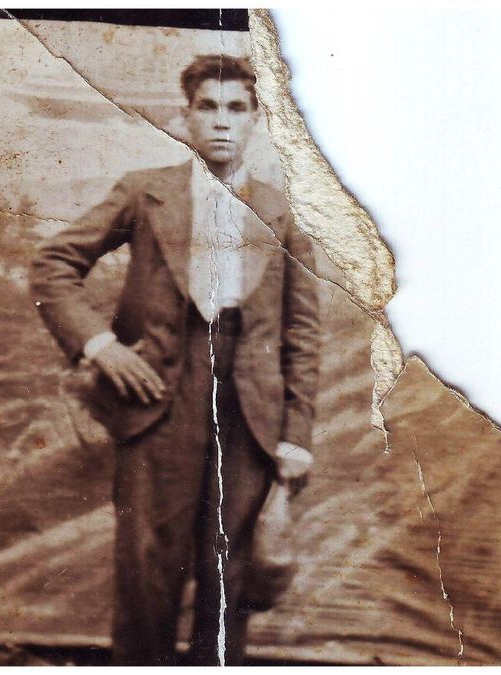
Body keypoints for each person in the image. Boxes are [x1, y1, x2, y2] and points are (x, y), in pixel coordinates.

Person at [29, 54, 320, 665]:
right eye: (208, 108)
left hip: (249, 417)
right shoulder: (146, 192)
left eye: (236, 109)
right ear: (183, 116)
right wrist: (99, 345)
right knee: (146, 573)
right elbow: (53, 265)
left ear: (256, 120)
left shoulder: (284, 211)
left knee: (231, 576)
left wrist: (296, 437)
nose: (222, 122)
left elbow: (301, 333)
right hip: (157, 404)